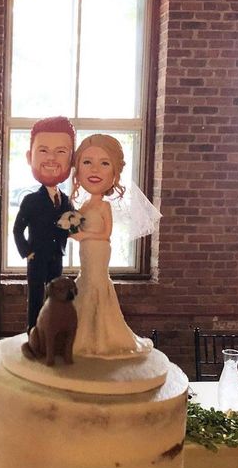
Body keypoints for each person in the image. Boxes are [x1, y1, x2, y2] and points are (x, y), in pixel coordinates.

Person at [69, 134, 153, 360]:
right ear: (77, 169)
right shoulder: (85, 204)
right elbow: (73, 228)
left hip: (98, 250)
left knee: (96, 284)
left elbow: (106, 234)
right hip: (86, 252)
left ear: (114, 172)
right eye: (87, 162)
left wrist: (83, 234)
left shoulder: (104, 206)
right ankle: (81, 335)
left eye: (104, 163)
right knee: (85, 283)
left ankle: (100, 338)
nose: (95, 169)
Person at [13, 116, 75, 332]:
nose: (51, 158)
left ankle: (52, 331)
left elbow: (75, 225)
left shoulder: (66, 200)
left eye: (60, 151)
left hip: (56, 256)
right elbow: (17, 229)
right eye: (43, 151)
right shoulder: (31, 200)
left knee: (55, 297)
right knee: (36, 295)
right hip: (37, 257)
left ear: (71, 159)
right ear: (30, 157)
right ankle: (33, 330)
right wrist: (27, 252)